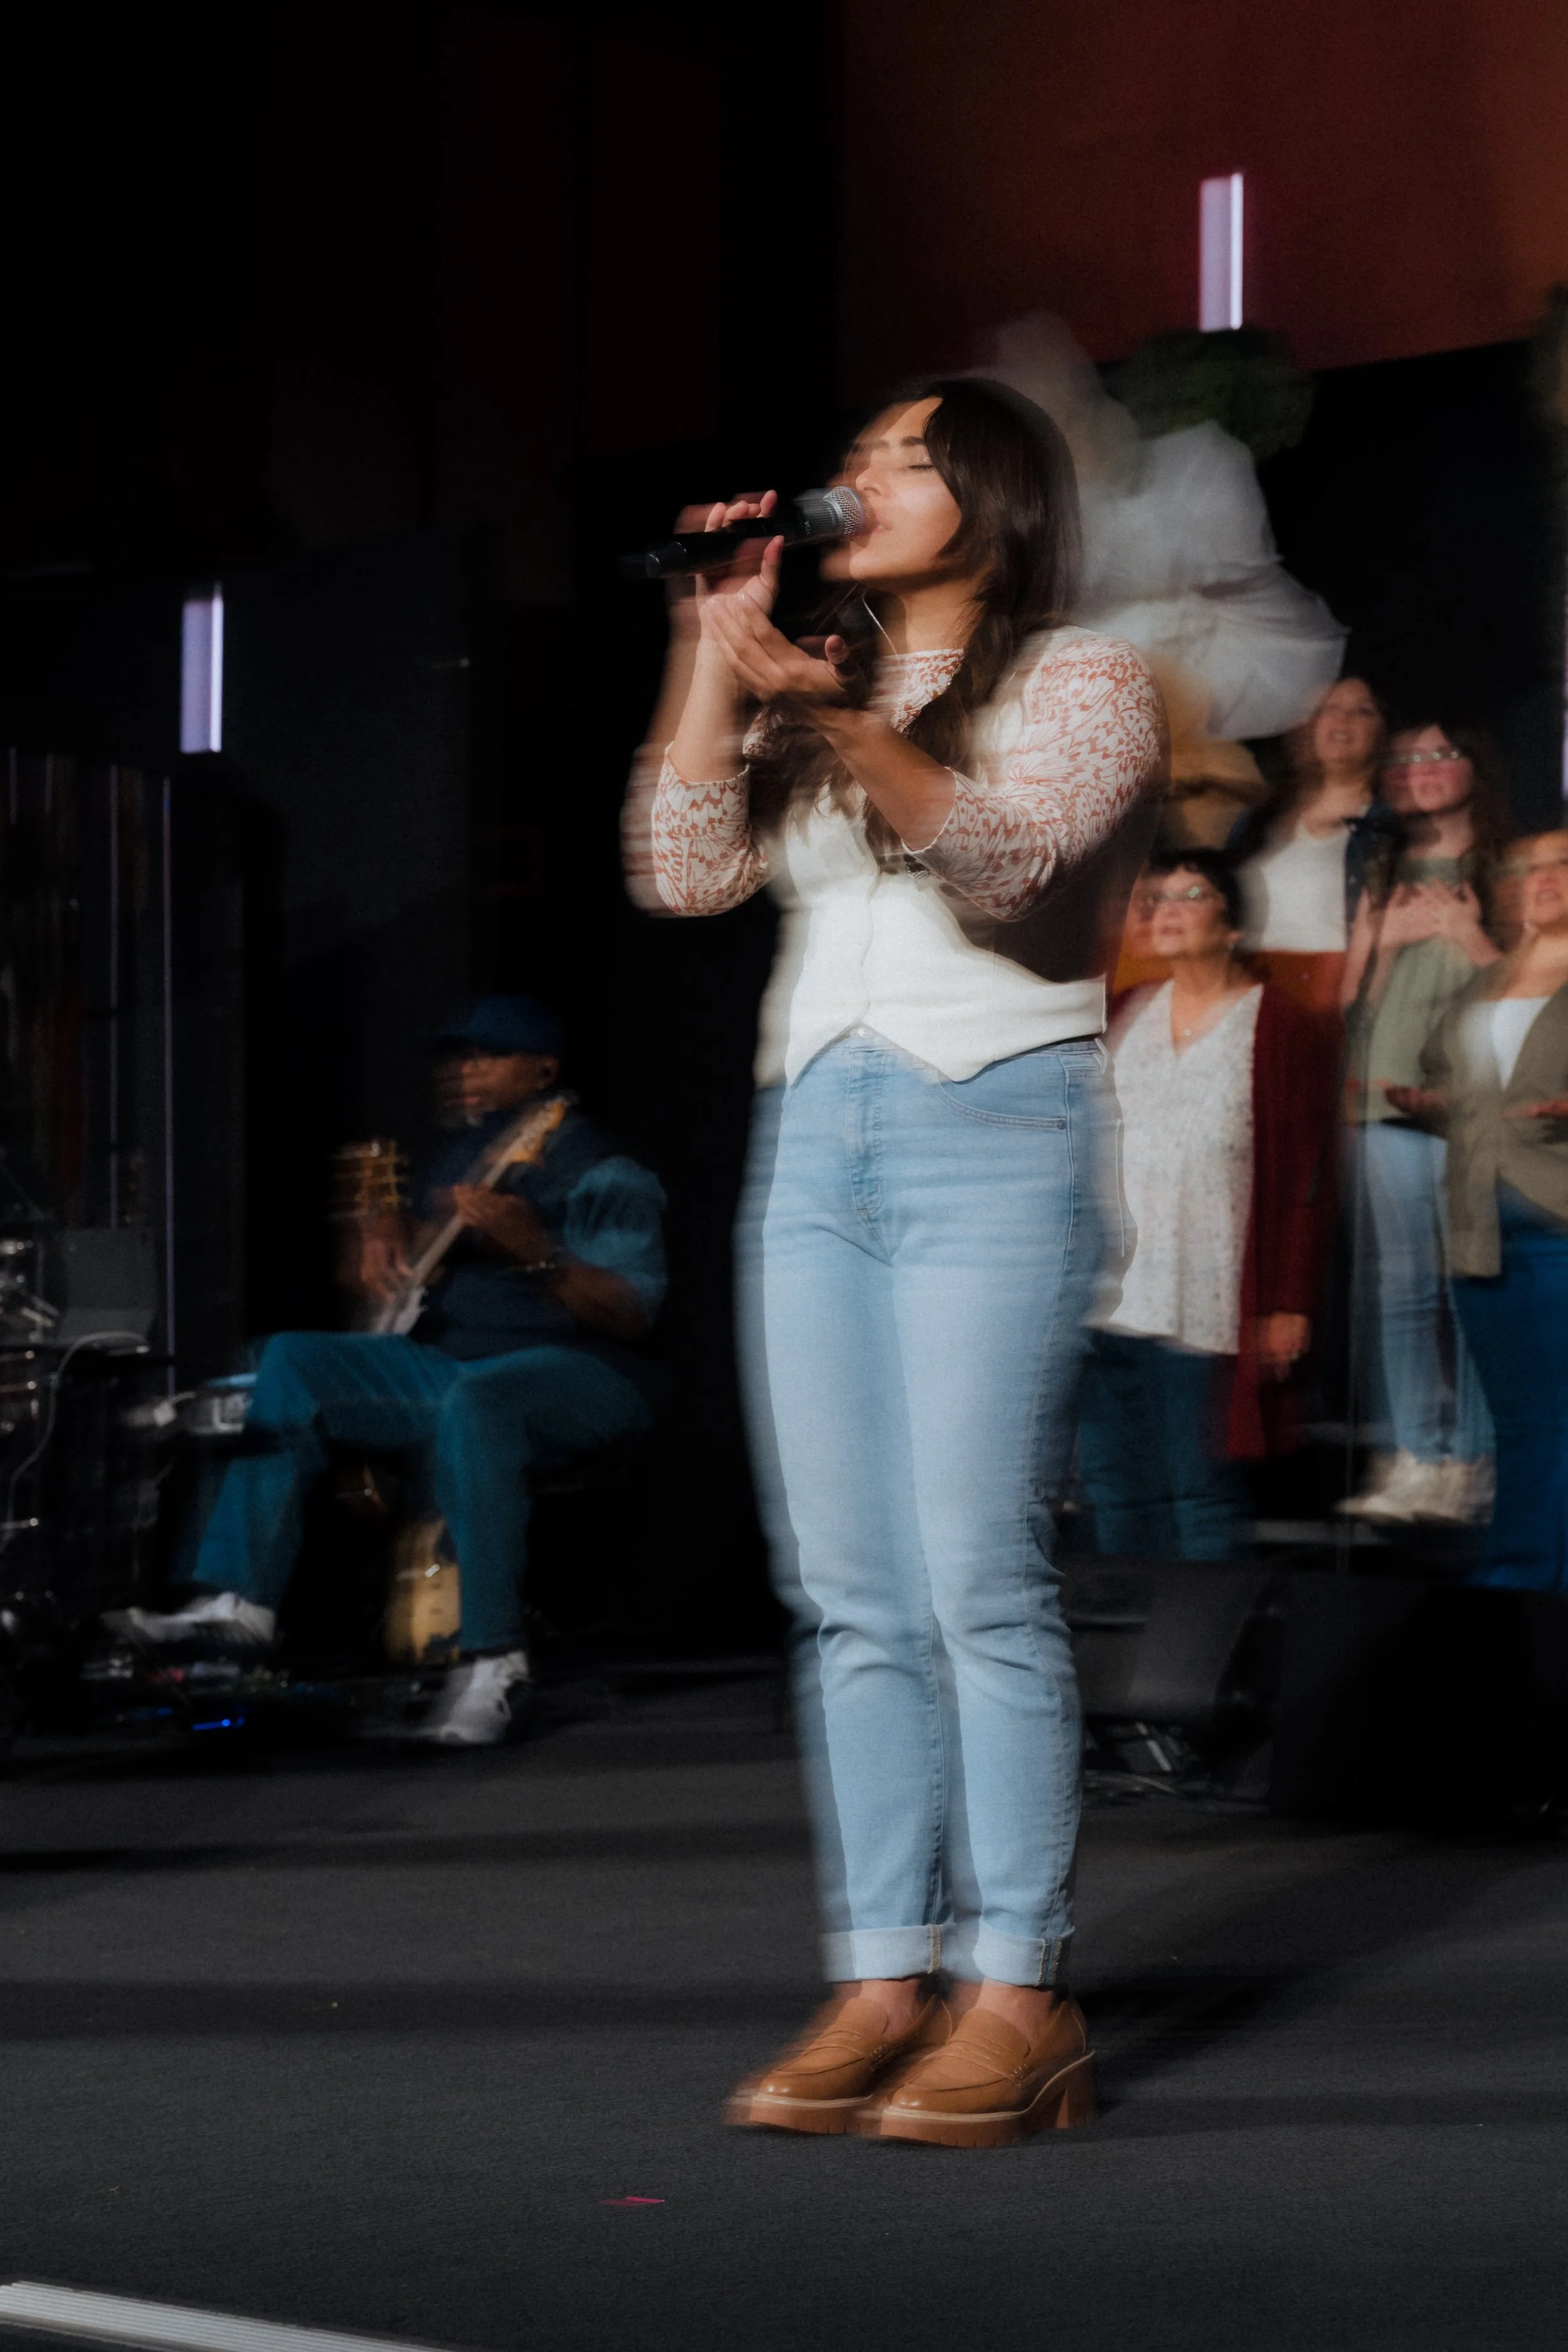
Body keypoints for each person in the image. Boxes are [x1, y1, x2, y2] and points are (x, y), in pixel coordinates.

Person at [633, 376, 1165, 2146]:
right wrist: (714, 647)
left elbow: (1004, 856)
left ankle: (1019, 1982)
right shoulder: (807, 676)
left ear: (992, 497)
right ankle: (880, 1965)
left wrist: (847, 712)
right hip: (816, 1138)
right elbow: (678, 872)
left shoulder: (1082, 675)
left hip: (995, 1124)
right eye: (855, 454)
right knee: (845, 1585)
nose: (859, 477)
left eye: (902, 458)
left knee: (973, 1576)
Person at [109, 997, 667, 1744]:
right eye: (459, 1058)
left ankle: (494, 1660)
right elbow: (405, 1247)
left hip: (582, 1373)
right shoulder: (463, 1158)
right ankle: (239, 1604)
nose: (466, 1071)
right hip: (455, 1365)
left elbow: (632, 1314)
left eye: (488, 1056)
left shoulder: (599, 1167)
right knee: (286, 1360)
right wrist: (383, 1227)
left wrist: (539, 1254)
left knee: (481, 1399)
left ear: (544, 1070)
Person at [1078, 848, 1339, 1559]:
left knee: (1199, 1491)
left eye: (1186, 895)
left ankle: (1201, 1656)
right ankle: (1129, 1652)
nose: (1162, 909)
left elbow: (1305, 1177)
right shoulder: (1126, 1011)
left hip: (1208, 1297)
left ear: (1231, 928)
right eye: (1152, 896)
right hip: (1107, 1296)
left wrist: (1288, 1300)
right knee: (1113, 1486)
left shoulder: (1276, 1025)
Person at [1337, 723, 1508, 1524]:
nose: (1422, 770)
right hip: (1382, 1096)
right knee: (1401, 1287)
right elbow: (1343, 1007)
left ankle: (1472, 1458)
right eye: (1405, 760)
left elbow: (1538, 994)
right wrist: (1386, 936)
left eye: (1441, 753)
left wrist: (1468, 936)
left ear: (1475, 765)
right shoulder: (1380, 871)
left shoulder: (1506, 869)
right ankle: (1416, 1455)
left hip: (1476, 1109)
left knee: (1468, 1280)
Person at [1392, 831, 1568, 1590]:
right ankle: (1521, 1579)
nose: (1543, 877)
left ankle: (1524, 1580)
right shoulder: (1484, 984)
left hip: (1560, 1223)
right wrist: (1428, 1102)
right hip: (1479, 1229)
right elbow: (1444, 1076)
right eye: (1527, 866)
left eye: (1563, 863)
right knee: (1523, 1424)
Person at [1231, 675, 1391, 1015]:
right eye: (1330, 709)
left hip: (1329, 994)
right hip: (1245, 988)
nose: (1342, 720)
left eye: (1362, 711)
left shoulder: (1385, 826)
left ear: (1382, 731)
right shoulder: (1261, 816)